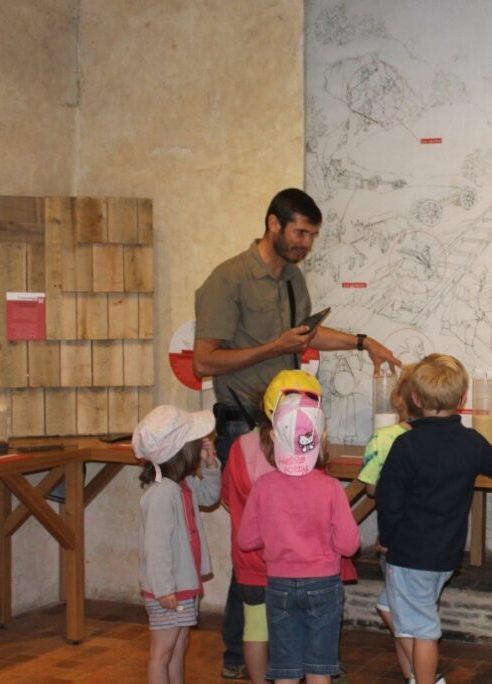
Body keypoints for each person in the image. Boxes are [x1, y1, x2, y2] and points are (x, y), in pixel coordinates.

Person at [192, 187, 399, 679]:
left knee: (289, 542)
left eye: (312, 235)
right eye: (301, 232)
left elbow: (303, 337)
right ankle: (241, 653)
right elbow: (204, 360)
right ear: (273, 224)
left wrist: (362, 343)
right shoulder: (228, 278)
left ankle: (307, 658)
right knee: (253, 547)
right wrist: (271, 349)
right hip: (245, 427)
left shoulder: (293, 279)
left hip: (293, 426)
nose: (307, 243)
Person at [375, 354, 492, 684]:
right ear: (462, 400)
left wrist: (385, 540)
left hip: (409, 555)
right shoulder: (470, 443)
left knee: (423, 629)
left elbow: (388, 501)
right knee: (390, 607)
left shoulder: (405, 446)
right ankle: (417, 675)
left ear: (415, 398)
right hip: (444, 555)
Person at [237, 392, 360, 684]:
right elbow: (349, 544)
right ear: (321, 438)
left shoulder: (263, 486)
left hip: (278, 585)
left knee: (285, 669)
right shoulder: (330, 488)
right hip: (322, 585)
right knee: (320, 667)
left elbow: (246, 540)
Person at [222, 369, 323, 684]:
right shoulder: (310, 450)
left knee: (255, 628)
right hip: (293, 563)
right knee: (293, 629)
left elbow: (227, 498)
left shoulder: (240, 446)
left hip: (250, 561)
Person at [134, 405, 222, 684]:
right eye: (196, 443)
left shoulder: (182, 483)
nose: (202, 445)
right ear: (181, 452)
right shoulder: (162, 494)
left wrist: (210, 465)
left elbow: (209, 496)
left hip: (183, 584)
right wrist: (163, 588)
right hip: (168, 589)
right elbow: (155, 546)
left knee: (179, 646)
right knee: (162, 652)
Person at [356, 363, 422, 682]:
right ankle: (414, 676)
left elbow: (370, 488)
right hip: (427, 540)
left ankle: (425, 674)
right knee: (408, 610)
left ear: (397, 399)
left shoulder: (382, 438)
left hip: (394, 539)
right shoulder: (435, 439)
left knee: (396, 610)